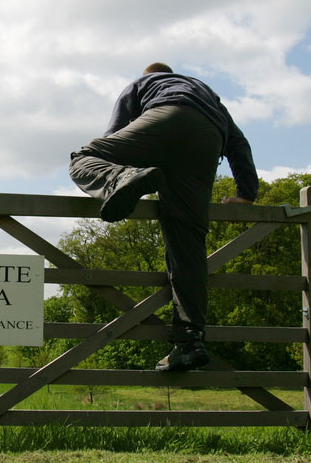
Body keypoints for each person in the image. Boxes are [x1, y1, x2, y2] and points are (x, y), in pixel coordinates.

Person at [68, 62, 258, 372]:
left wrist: (119, 171)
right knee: (188, 244)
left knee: (84, 159)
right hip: (207, 137)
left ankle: (120, 179)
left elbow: (116, 133)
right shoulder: (208, 94)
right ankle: (189, 342)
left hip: (165, 117)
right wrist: (246, 194)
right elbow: (238, 144)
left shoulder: (143, 83)